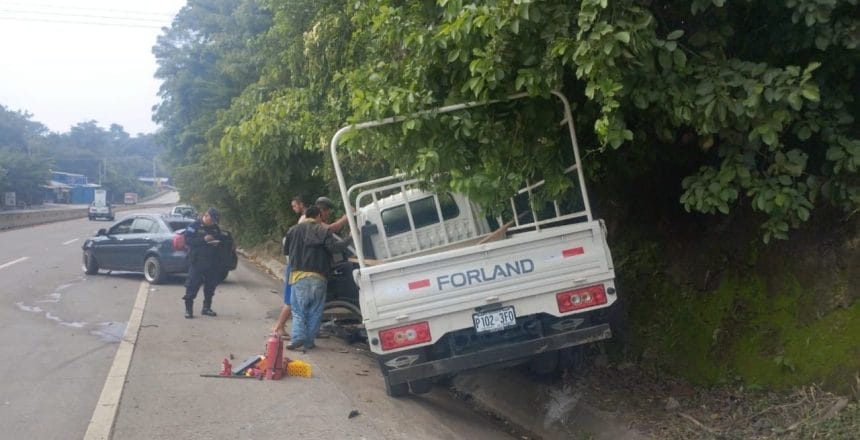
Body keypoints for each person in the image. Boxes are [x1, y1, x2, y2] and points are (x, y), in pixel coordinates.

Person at [282, 205, 352, 350]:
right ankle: (309, 342)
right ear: (319, 216)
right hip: (319, 277)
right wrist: (350, 238)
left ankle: (298, 337)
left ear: (306, 216)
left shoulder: (293, 230)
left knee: (298, 310)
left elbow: (286, 251)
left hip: (298, 277)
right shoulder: (323, 230)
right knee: (315, 311)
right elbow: (335, 248)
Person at [182, 207, 228, 319]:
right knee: (192, 285)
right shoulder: (194, 226)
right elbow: (187, 240)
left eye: (214, 221)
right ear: (206, 216)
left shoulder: (215, 228)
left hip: (212, 262)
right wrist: (203, 239)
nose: (213, 223)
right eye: (211, 220)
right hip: (197, 262)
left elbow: (219, 238)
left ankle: (206, 308)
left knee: (210, 286)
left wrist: (218, 241)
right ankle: (188, 310)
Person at [272, 195, 307, 337]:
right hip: (295, 266)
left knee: (291, 299)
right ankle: (278, 327)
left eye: (294, 206)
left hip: (294, 264)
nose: (293, 209)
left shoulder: (303, 219)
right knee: (291, 300)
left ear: (301, 204)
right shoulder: (304, 220)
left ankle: (280, 327)